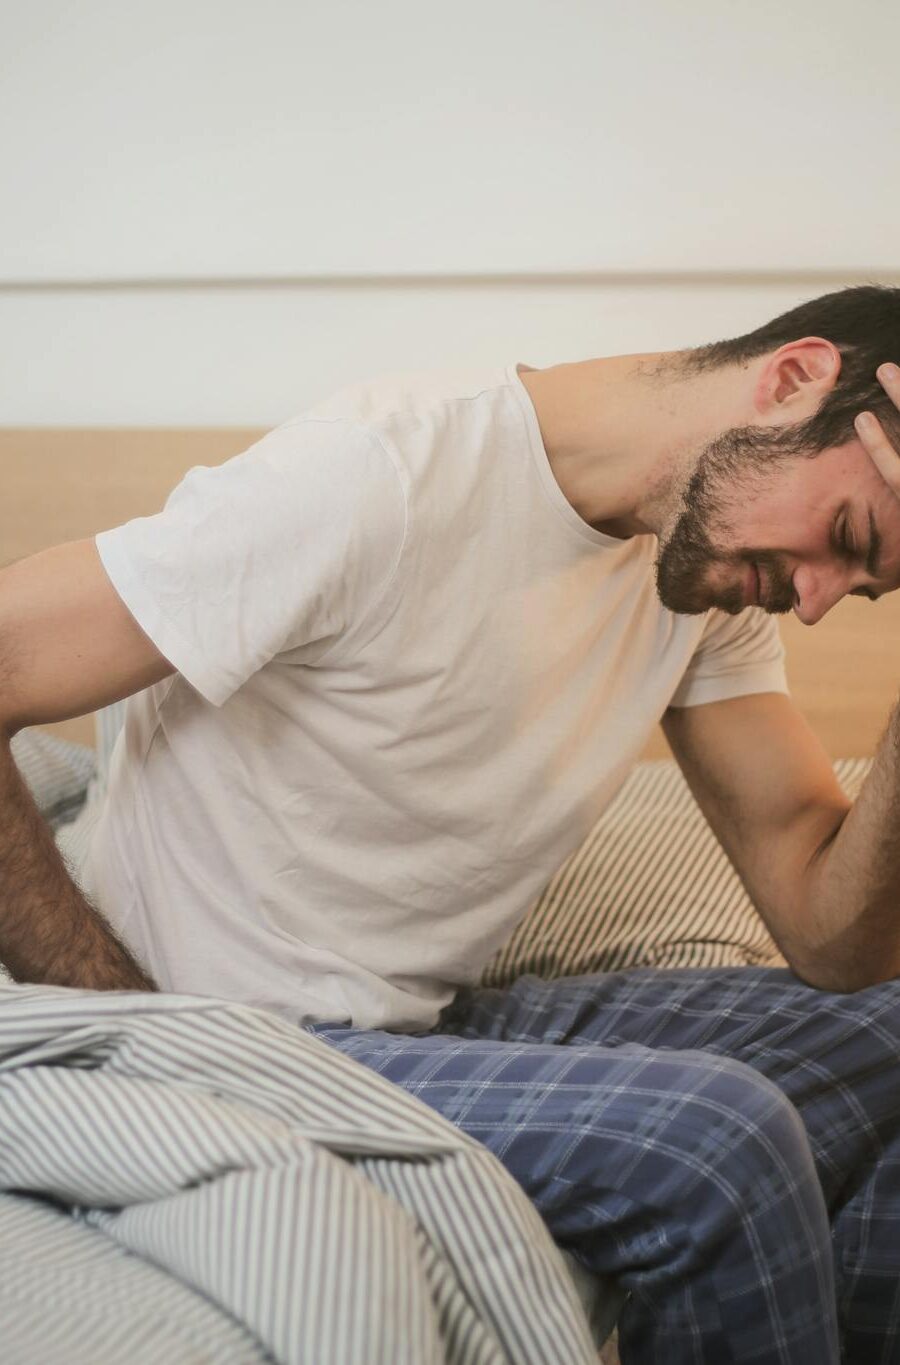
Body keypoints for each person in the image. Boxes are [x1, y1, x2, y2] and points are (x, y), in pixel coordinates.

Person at [3, 282, 900, 1362]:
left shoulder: (704, 581)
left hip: (414, 1027)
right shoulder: (379, 474)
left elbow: (830, 932)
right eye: (846, 535)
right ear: (793, 377)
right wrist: (133, 1017)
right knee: (719, 1143)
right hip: (232, 1030)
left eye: (861, 587)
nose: (813, 598)